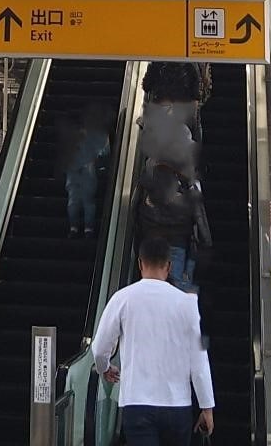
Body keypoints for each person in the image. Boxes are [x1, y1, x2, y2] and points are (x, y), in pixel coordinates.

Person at [90, 236, 216, 446]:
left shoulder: (123, 299)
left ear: (140, 263)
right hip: (178, 406)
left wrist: (104, 367)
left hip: (136, 404)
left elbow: (100, 346)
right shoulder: (187, 304)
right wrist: (206, 407)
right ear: (169, 265)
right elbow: (199, 359)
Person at [135, 162, 208, 293]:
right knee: (175, 288)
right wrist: (205, 241)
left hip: (151, 243)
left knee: (151, 288)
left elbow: (138, 212)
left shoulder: (149, 182)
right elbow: (197, 216)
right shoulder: (186, 187)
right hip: (177, 243)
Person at [63, 104, 113, 238]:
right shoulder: (100, 135)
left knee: (75, 199)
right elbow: (104, 153)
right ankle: (87, 229)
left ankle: (75, 228)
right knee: (87, 200)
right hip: (87, 169)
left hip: (75, 170)